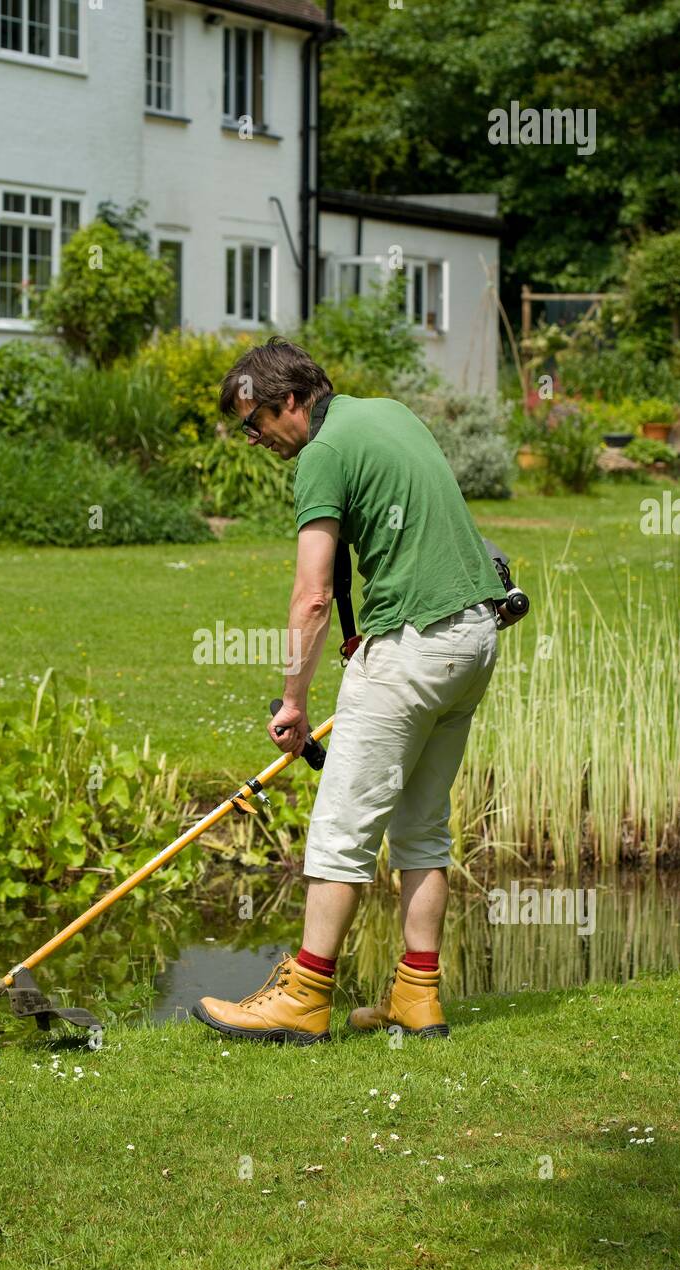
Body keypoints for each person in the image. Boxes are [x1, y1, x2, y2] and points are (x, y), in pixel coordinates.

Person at [191, 336, 507, 1045]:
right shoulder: (389, 413)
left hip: (414, 643)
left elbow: (309, 597)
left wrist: (293, 701)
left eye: (255, 423)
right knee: (422, 826)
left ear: (293, 403)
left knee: (340, 829)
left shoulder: (323, 455)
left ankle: (303, 998)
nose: (252, 439)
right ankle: (418, 996)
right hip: (474, 635)